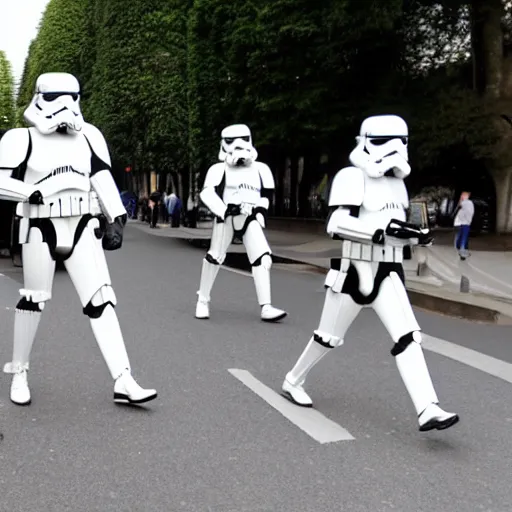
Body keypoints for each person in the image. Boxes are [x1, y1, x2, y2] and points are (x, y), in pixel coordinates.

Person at [281, 115, 458, 432]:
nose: (391, 151)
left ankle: (428, 408)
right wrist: (376, 233)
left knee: (408, 337)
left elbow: (394, 229)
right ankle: (293, 379)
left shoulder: (398, 185)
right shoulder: (352, 177)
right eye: (382, 142)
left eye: (399, 143)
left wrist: (413, 236)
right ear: (364, 142)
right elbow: (336, 224)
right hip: (354, 269)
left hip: (388, 270)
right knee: (328, 338)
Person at [0, 72, 157, 406]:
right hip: (40, 225)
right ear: (40, 96)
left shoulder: (89, 136)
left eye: (72, 96)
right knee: (33, 300)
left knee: (102, 299)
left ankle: (123, 378)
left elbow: (101, 176)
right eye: (56, 96)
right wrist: (32, 192)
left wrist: (116, 218)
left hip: (83, 224)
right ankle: (20, 373)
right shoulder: (20, 139)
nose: (65, 105)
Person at [195, 124, 287, 322]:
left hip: (250, 216)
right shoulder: (218, 169)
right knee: (214, 257)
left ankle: (266, 306)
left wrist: (261, 211)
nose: (238, 145)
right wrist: (225, 210)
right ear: (223, 144)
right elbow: (207, 192)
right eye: (231, 141)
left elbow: (266, 194)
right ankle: (203, 300)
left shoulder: (261, 169)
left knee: (263, 259)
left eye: (243, 139)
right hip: (227, 217)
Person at [453, 191, 474, 260]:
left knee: (461, 237)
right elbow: (470, 213)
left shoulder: (461, 203)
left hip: (459, 224)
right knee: (464, 238)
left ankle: (460, 249)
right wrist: (468, 221)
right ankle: (462, 250)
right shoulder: (467, 202)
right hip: (464, 223)